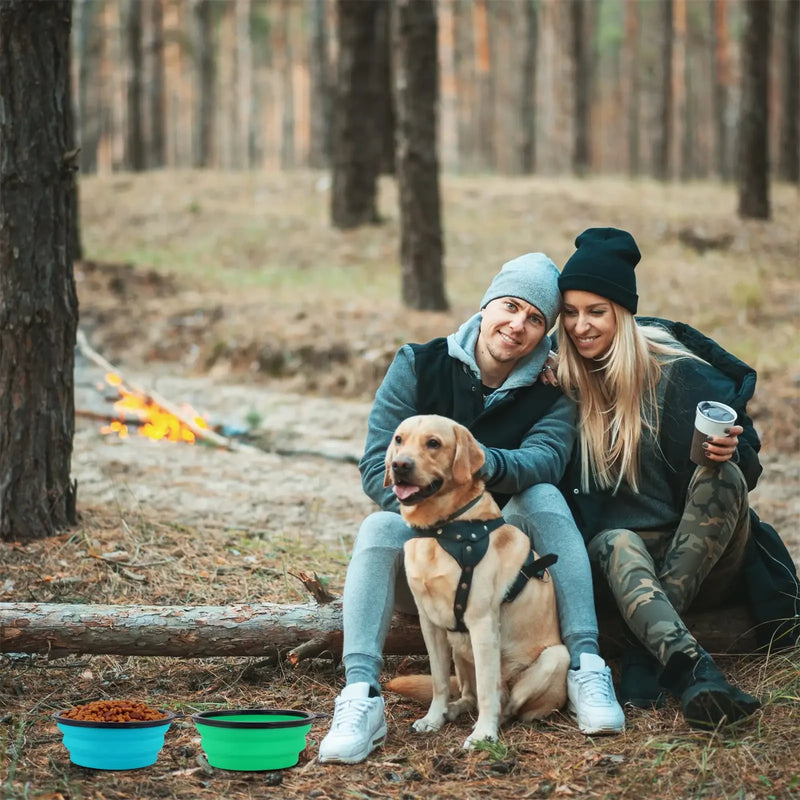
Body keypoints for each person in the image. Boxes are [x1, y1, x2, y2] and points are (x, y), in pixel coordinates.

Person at [318, 253, 624, 765]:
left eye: (535, 319)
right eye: (510, 306)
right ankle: (360, 695)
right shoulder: (418, 363)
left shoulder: (554, 390)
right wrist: (439, 503)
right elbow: (378, 467)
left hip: (505, 574)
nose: (517, 325)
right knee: (377, 526)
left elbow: (544, 461)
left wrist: (465, 459)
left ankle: (586, 666)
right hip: (427, 570)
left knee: (544, 496)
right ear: (486, 305)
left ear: (547, 335)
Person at [555, 227, 800, 729]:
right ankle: (694, 672)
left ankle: (649, 651)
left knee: (723, 476)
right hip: (621, 569)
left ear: (622, 312)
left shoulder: (676, 371)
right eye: (571, 312)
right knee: (617, 539)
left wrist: (734, 450)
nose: (581, 326)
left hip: (703, 559)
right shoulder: (559, 383)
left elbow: (746, 454)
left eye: (595, 311)